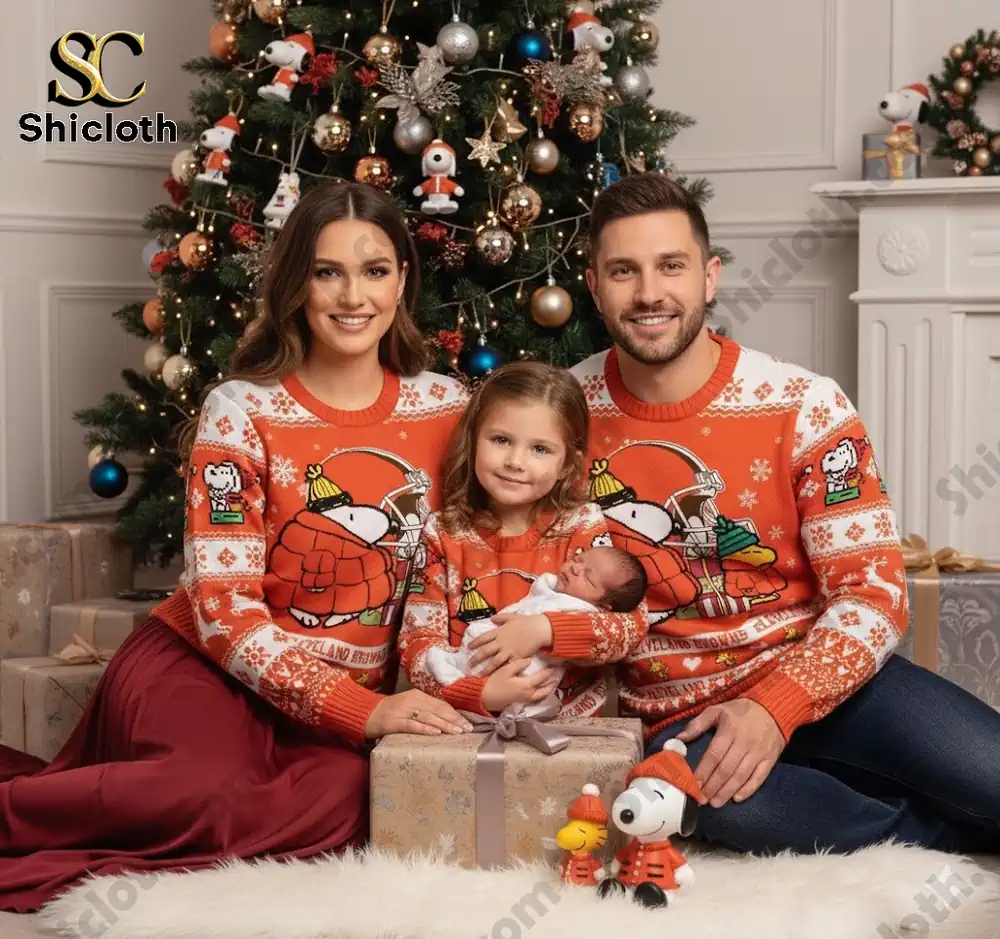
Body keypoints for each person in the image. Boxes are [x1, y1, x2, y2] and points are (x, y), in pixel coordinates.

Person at [0, 181, 474, 913]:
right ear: (295, 284)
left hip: (337, 704)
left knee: (350, 797)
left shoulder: (451, 408)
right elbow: (224, 610)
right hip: (205, 666)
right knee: (206, 794)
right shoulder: (240, 411)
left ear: (403, 279)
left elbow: (482, 558)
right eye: (327, 271)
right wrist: (362, 711)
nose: (354, 295)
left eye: (375, 270)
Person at [571, 171, 1000, 856]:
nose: (649, 292)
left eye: (671, 266)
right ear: (594, 285)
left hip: (836, 682)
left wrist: (778, 704)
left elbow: (876, 593)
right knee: (719, 806)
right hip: (687, 716)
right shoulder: (562, 415)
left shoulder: (803, 402)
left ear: (709, 277)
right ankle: (926, 833)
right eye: (624, 270)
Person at [399, 361, 649, 717]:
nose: (515, 461)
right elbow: (417, 642)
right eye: (501, 440)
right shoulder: (443, 534)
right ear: (473, 441)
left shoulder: (581, 525)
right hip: (467, 728)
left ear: (567, 464)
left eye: (540, 449)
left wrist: (544, 629)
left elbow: (630, 628)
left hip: (568, 732)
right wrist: (480, 693)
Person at [425, 545, 647, 686]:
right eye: (578, 560)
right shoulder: (552, 586)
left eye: (588, 577)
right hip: (488, 650)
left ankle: (460, 675)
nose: (575, 568)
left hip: (528, 672)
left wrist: (546, 630)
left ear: (605, 605)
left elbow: (629, 626)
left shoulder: (586, 611)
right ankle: (458, 672)